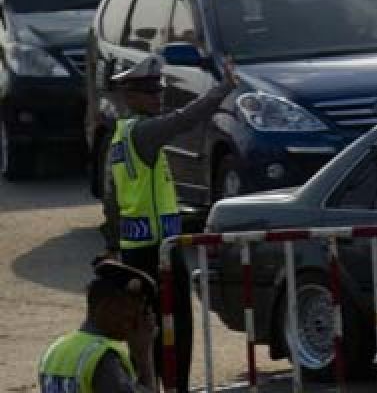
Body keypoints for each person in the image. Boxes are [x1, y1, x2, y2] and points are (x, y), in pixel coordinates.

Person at [102, 53, 240, 393]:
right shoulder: (144, 133)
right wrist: (222, 88)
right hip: (157, 253)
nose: (158, 97)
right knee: (174, 330)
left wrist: (115, 246)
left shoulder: (119, 136)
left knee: (144, 332)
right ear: (131, 97)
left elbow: (113, 198)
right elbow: (186, 118)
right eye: (150, 92)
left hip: (137, 252)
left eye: (160, 91)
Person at [38, 259, 158, 393]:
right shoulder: (103, 358)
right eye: (132, 315)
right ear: (108, 307)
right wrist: (143, 356)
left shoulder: (54, 350)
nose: (137, 324)